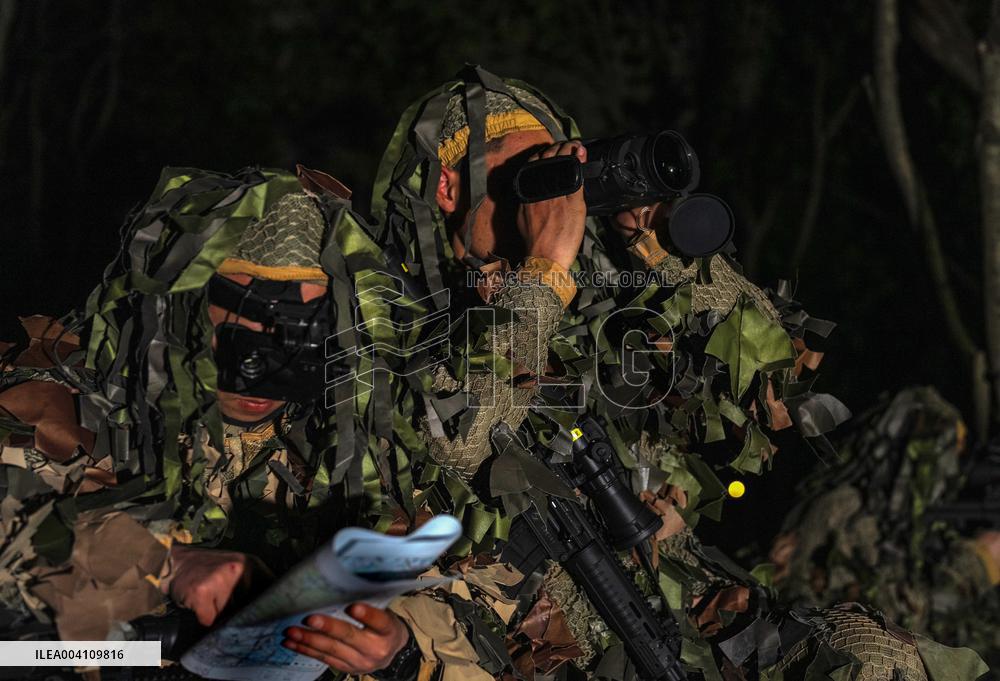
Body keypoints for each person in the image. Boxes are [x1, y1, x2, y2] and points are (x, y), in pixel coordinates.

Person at [361, 65, 990, 680]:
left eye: (557, 176)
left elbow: (774, 394)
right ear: (448, 188)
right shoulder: (391, 318)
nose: (552, 201)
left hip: (680, 608)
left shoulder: (599, 292)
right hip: (540, 644)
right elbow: (457, 435)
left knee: (883, 661)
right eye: (525, 178)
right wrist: (546, 267)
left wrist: (660, 249)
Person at [0, 165, 421, 678]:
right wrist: (162, 570)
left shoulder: (350, 451)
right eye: (245, 344)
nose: (268, 377)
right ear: (181, 313)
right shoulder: (64, 402)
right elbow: (18, 642)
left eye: (300, 347)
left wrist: (400, 655)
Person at [768, 386, 1000, 674]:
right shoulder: (847, 512)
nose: (953, 471)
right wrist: (976, 564)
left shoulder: (905, 527)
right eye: (948, 452)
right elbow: (887, 622)